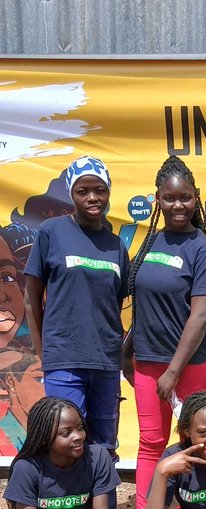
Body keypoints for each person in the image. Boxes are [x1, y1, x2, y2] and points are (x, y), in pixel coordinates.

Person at [122, 157, 206, 509]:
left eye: (185, 198)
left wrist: (173, 371)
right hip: (148, 363)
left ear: (196, 198)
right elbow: (145, 304)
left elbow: (200, 316)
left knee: (193, 444)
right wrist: (129, 349)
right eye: (169, 198)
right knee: (151, 443)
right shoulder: (151, 241)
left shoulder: (202, 250)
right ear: (158, 200)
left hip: (191, 365)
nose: (178, 206)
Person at [24, 156, 129, 463]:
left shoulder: (115, 245)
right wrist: (45, 354)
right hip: (64, 359)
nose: (92, 197)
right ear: (71, 193)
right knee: (64, 444)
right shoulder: (51, 232)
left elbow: (115, 303)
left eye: (99, 190)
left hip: (106, 363)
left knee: (104, 446)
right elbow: (31, 299)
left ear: (108, 192)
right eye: (83, 190)